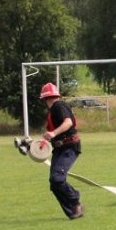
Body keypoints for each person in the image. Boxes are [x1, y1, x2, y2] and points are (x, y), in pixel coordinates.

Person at [39, 82, 84, 219]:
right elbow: (51, 137)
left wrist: (53, 133)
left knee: (57, 179)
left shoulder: (59, 106)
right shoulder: (52, 112)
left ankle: (75, 200)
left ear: (45, 99)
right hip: (60, 148)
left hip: (69, 147)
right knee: (54, 183)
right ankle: (73, 212)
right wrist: (31, 147)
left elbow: (68, 123)